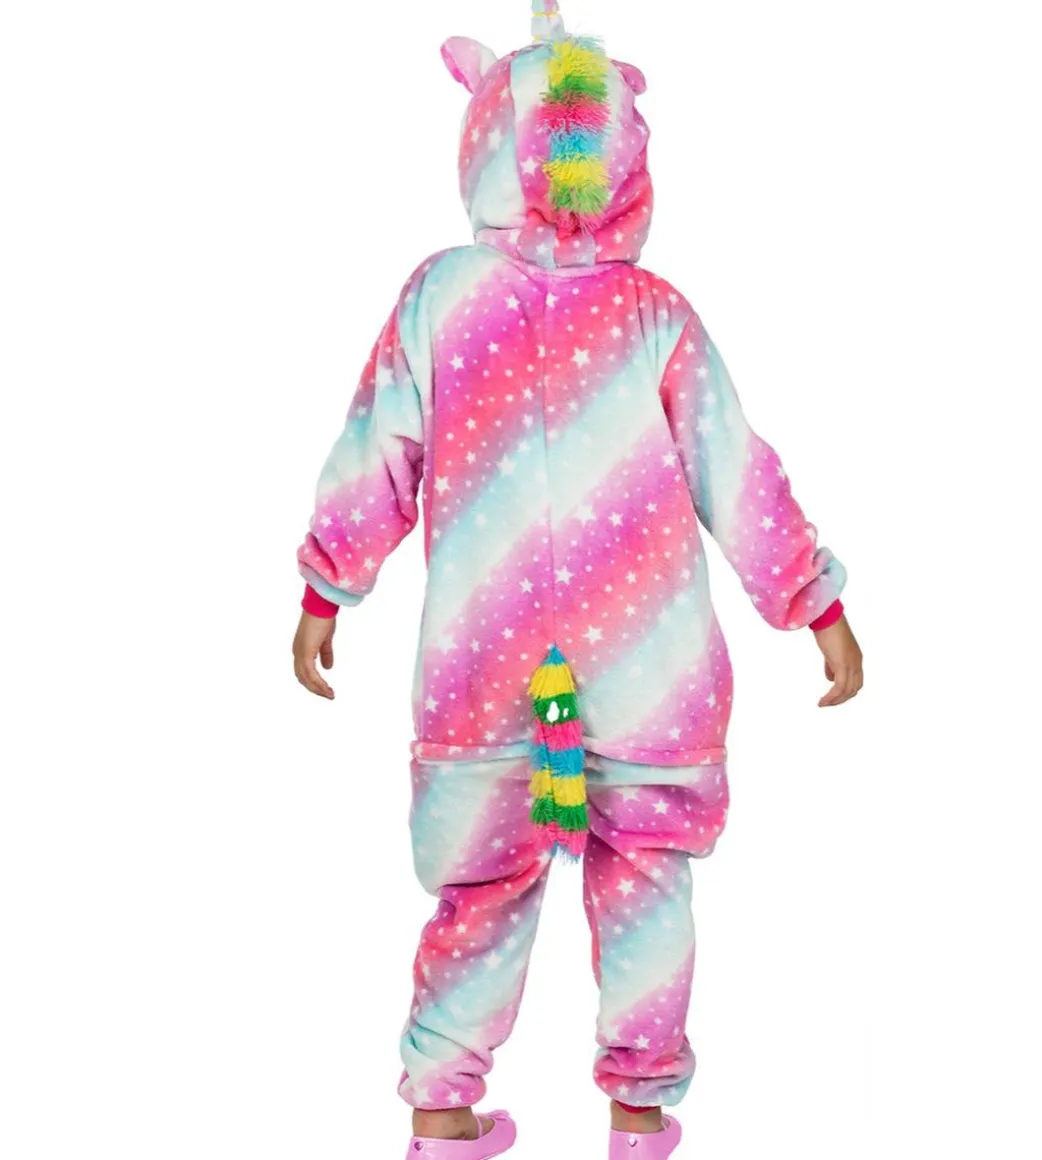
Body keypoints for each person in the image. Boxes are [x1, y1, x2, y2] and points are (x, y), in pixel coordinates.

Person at [292, 4, 863, 1156]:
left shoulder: (442, 297)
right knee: (646, 883)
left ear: (485, 144)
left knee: (480, 887)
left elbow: (377, 448)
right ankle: (638, 1113)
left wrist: (326, 584)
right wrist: (813, 599)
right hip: (647, 671)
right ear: (622, 157)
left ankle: (442, 1106)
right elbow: (734, 468)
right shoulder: (652, 314)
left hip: (484, 664)